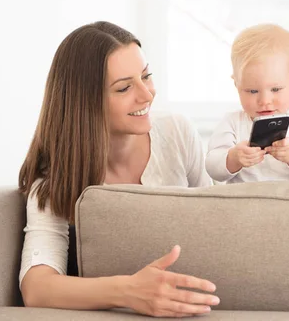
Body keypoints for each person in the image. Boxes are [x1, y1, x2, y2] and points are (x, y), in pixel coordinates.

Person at [18, 21, 220, 317]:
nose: (146, 94)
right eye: (124, 87)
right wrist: (129, 291)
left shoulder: (176, 132)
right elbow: (36, 287)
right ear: (85, 103)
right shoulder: (54, 177)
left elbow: (215, 221)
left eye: (146, 76)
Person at [206, 23, 289, 183]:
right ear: (237, 85)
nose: (264, 101)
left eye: (276, 89)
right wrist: (233, 158)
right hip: (244, 205)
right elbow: (212, 168)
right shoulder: (232, 123)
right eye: (252, 91)